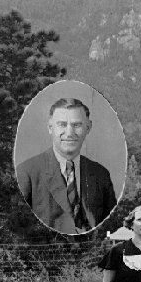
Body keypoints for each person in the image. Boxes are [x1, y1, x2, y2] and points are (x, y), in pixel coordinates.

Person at [16, 97, 118, 234]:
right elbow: (18, 228)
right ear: (50, 127)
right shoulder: (27, 172)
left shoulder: (100, 174)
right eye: (62, 124)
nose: (69, 133)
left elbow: (110, 226)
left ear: (88, 127)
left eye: (77, 125)